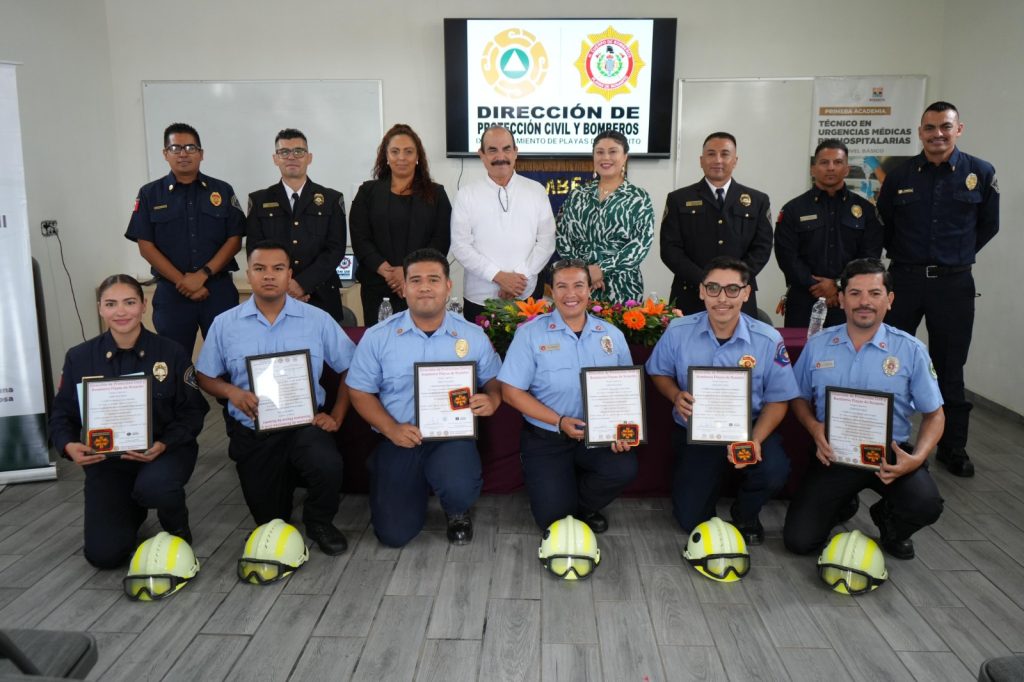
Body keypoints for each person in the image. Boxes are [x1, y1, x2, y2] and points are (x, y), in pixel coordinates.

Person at [196, 240, 355, 555]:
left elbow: (353, 367)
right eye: (260, 268)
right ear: (248, 274)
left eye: (277, 269)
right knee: (270, 521)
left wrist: (336, 414)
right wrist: (232, 392)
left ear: (289, 274)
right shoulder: (225, 324)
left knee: (327, 464)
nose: (269, 276)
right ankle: (276, 514)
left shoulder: (317, 319)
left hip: (305, 423)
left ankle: (319, 520)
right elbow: (205, 375)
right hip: (253, 428)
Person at [783, 258, 945, 560]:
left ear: (890, 300)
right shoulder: (818, 345)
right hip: (835, 455)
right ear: (841, 299)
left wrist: (917, 458)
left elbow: (935, 414)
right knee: (799, 541)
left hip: (892, 455)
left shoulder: (910, 350)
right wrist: (814, 427)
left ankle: (890, 523)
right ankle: (844, 503)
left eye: (874, 293)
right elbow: (798, 398)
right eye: (855, 293)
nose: (864, 302)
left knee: (925, 504)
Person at [48, 275, 209, 568]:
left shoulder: (171, 352)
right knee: (104, 556)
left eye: (129, 302)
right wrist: (68, 444)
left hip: (164, 453)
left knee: (156, 487)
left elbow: (194, 411)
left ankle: (176, 527)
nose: (121, 312)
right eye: (111, 304)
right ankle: (131, 509)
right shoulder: (80, 357)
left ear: (144, 306)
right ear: (100, 308)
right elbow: (62, 413)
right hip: (107, 462)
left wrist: (163, 444)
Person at [346, 248, 503, 547]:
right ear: (403, 288)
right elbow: (359, 390)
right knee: (394, 535)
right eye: (415, 280)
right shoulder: (379, 337)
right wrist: (391, 429)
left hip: (452, 438)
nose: (425, 287)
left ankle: (457, 509)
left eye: (434, 279)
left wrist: (493, 399)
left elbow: (494, 380)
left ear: (448, 286)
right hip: (400, 436)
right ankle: (406, 485)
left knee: (459, 485)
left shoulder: (472, 336)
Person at [877, 101, 999, 478]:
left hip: (953, 282)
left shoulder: (980, 172)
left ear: (958, 129)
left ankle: (952, 447)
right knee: (888, 362)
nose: (937, 134)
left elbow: (988, 226)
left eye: (945, 127)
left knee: (950, 366)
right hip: (906, 280)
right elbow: (886, 225)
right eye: (930, 128)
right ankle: (886, 439)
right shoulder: (898, 175)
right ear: (920, 132)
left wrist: (954, 256)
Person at [646, 256, 799, 544]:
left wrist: (754, 440)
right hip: (697, 432)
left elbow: (779, 400)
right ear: (701, 291)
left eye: (732, 289)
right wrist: (675, 394)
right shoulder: (679, 331)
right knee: (690, 521)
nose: (722, 298)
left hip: (749, 428)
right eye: (713, 288)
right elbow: (659, 373)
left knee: (774, 471)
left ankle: (745, 513)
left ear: (746, 293)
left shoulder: (767, 340)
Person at [498, 258, 638, 533]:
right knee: (553, 520)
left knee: (623, 468)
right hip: (547, 437)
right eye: (562, 286)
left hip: (597, 436)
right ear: (550, 291)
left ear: (590, 290)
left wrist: (625, 430)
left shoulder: (612, 335)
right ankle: (562, 502)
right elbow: (510, 392)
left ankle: (584, 506)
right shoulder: (530, 334)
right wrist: (559, 421)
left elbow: (627, 391)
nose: (570, 294)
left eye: (578, 286)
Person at [125, 122, 245, 355]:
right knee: (173, 361)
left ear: (201, 154)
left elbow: (234, 239)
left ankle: (226, 394)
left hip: (217, 290)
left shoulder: (222, 190)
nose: (183, 154)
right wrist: (183, 281)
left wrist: (203, 275)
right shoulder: (149, 194)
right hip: (172, 293)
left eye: (190, 148)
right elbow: (146, 246)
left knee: (228, 357)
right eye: (176, 148)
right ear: (165, 154)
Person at [660, 132, 773, 317]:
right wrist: (704, 280)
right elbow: (670, 249)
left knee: (741, 345)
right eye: (711, 154)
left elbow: (762, 248)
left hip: (739, 295)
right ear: (701, 160)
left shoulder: (758, 200)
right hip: (691, 293)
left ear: (735, 160)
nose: (718, 160)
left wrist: (734, 281)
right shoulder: (678, 199)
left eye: (725, 154)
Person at [451, 126, 556, 323]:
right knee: (483, 353)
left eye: (507, 149)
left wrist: (518, 278)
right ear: (481, 155)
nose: (501, 156)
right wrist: (498, 276)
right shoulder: (466, 195)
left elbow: (547, 241)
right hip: (479, 298)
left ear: (516, 152)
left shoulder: (536, 191)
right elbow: (460, 245)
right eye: (492, 150)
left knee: (528, 353)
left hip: (526, 295)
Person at [774, 139, 884, 328]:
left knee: (850, 355)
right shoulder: (793, 209)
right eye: (824, 162)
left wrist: (839, 285)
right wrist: (818, 287)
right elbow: (787, 256)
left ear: (847, 169)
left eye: (838, 162)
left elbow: (870, 256)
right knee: (800, 355)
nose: (831, 168)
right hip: (804, 300)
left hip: (851, 299)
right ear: (813, 168)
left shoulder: (866, 210)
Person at [350, 123, 452, 323]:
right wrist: (389, 272)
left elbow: (441, 240)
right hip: (377, 285)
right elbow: (360, 238)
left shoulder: (436, 194)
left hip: (421, 287)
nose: (402, 158)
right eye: (395, 151)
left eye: (408, 151)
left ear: (418, 157)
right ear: (386, 157)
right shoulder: (367, 192)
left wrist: (407, 273)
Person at [246, 128, 347, 322]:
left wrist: (302, 284)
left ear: (309, 157)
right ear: (276, 159)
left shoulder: (331, 199)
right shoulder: (259, 200)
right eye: (284, 152)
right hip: (274, 295)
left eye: (298, 151)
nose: (291, 157)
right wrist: (285, 286)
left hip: (322, 294)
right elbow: (255, 249)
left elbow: (336, 249)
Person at [555, 130, 655, 303]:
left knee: (619, 329)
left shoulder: (638, 197)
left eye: (613, 151)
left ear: (625, 157)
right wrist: (585, 272)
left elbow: (641, 243)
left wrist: (601, 269)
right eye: (600, 152)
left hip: (623, 285)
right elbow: (561, 236)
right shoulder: (578, 194)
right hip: (579, 285)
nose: (605, 157)